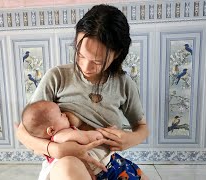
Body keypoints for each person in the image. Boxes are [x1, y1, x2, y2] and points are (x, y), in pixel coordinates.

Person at [15, 4, 149, 180]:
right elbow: (22, 131)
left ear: (117, 54)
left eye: (97, 61)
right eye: (80, 55)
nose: (86, 66)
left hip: (109, 163)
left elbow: (142, 128)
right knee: (68, 166)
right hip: (65, 163)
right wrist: (56, 149)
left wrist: (130, 139)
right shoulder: (57, 77)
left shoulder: (124, 84)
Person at [21, 100, 105, 171]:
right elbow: (88, 137)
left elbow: (36, 151)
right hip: (73, 168)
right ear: (51, 130)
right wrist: (101, 133)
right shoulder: (63, 135)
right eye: (61, 114)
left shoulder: (53, 139)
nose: (65, 114)